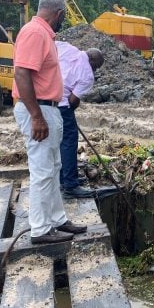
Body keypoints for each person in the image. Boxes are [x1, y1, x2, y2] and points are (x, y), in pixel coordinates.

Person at [12, 0, 87, 244]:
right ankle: (41, 229)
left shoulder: (43, 33)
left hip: (48, 108)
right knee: (43, 170)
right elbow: (22, 73)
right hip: (40, 109)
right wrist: (36, 116)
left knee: (53, 167)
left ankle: (57, 219)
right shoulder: (35, 32)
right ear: (59, 14)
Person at [55, 41, 105, 198]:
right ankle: (70, 185)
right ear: (93, 62)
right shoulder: (88, 75)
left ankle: (63, 179)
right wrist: (72, 110)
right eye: (96, 67)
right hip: (63, 104)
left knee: (59, 142)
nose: (95, 70)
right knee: (69, 142)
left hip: (47, 100)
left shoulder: (66, 48)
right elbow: (72, 100)